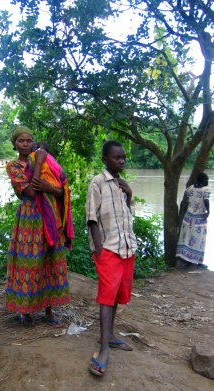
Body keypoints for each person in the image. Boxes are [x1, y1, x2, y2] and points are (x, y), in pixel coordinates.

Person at [6, 126, 73, 326]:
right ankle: (25, 311)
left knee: (50, 261)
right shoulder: (14, 166)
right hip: (29, 219)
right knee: (29, 264)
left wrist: (51, 187)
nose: (25, 144)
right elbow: (31, 192)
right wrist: (40, 162)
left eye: (29, 140)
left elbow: (61, 192)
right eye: (21, 141)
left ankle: (49, 311)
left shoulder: (48, 163)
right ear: (15, 144)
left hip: (50, 219)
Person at [86, 140, 137, 377]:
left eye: (123, 157)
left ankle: (111, 335)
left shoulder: (121, 185)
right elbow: (92, 218)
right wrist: (98, 250)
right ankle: (103, 349)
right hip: (109, 250)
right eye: (117, 157)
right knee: (106, 298)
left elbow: (127, 216)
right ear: (105, 159)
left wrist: (129, 195)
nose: (121, 161)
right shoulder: (98, 182)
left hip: (127, 248)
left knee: (115, 294)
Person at [176, 172, 210, 269]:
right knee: (199, 239)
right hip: (199, 218)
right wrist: (208, 211)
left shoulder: (190, 188)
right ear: (203, 180)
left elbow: (187, 199)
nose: (207, 182)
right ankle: (197, 262)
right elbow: (206, 200)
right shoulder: (205, 190)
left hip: (188, 217)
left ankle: (185, 260)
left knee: (186, 238)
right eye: (206, 180)